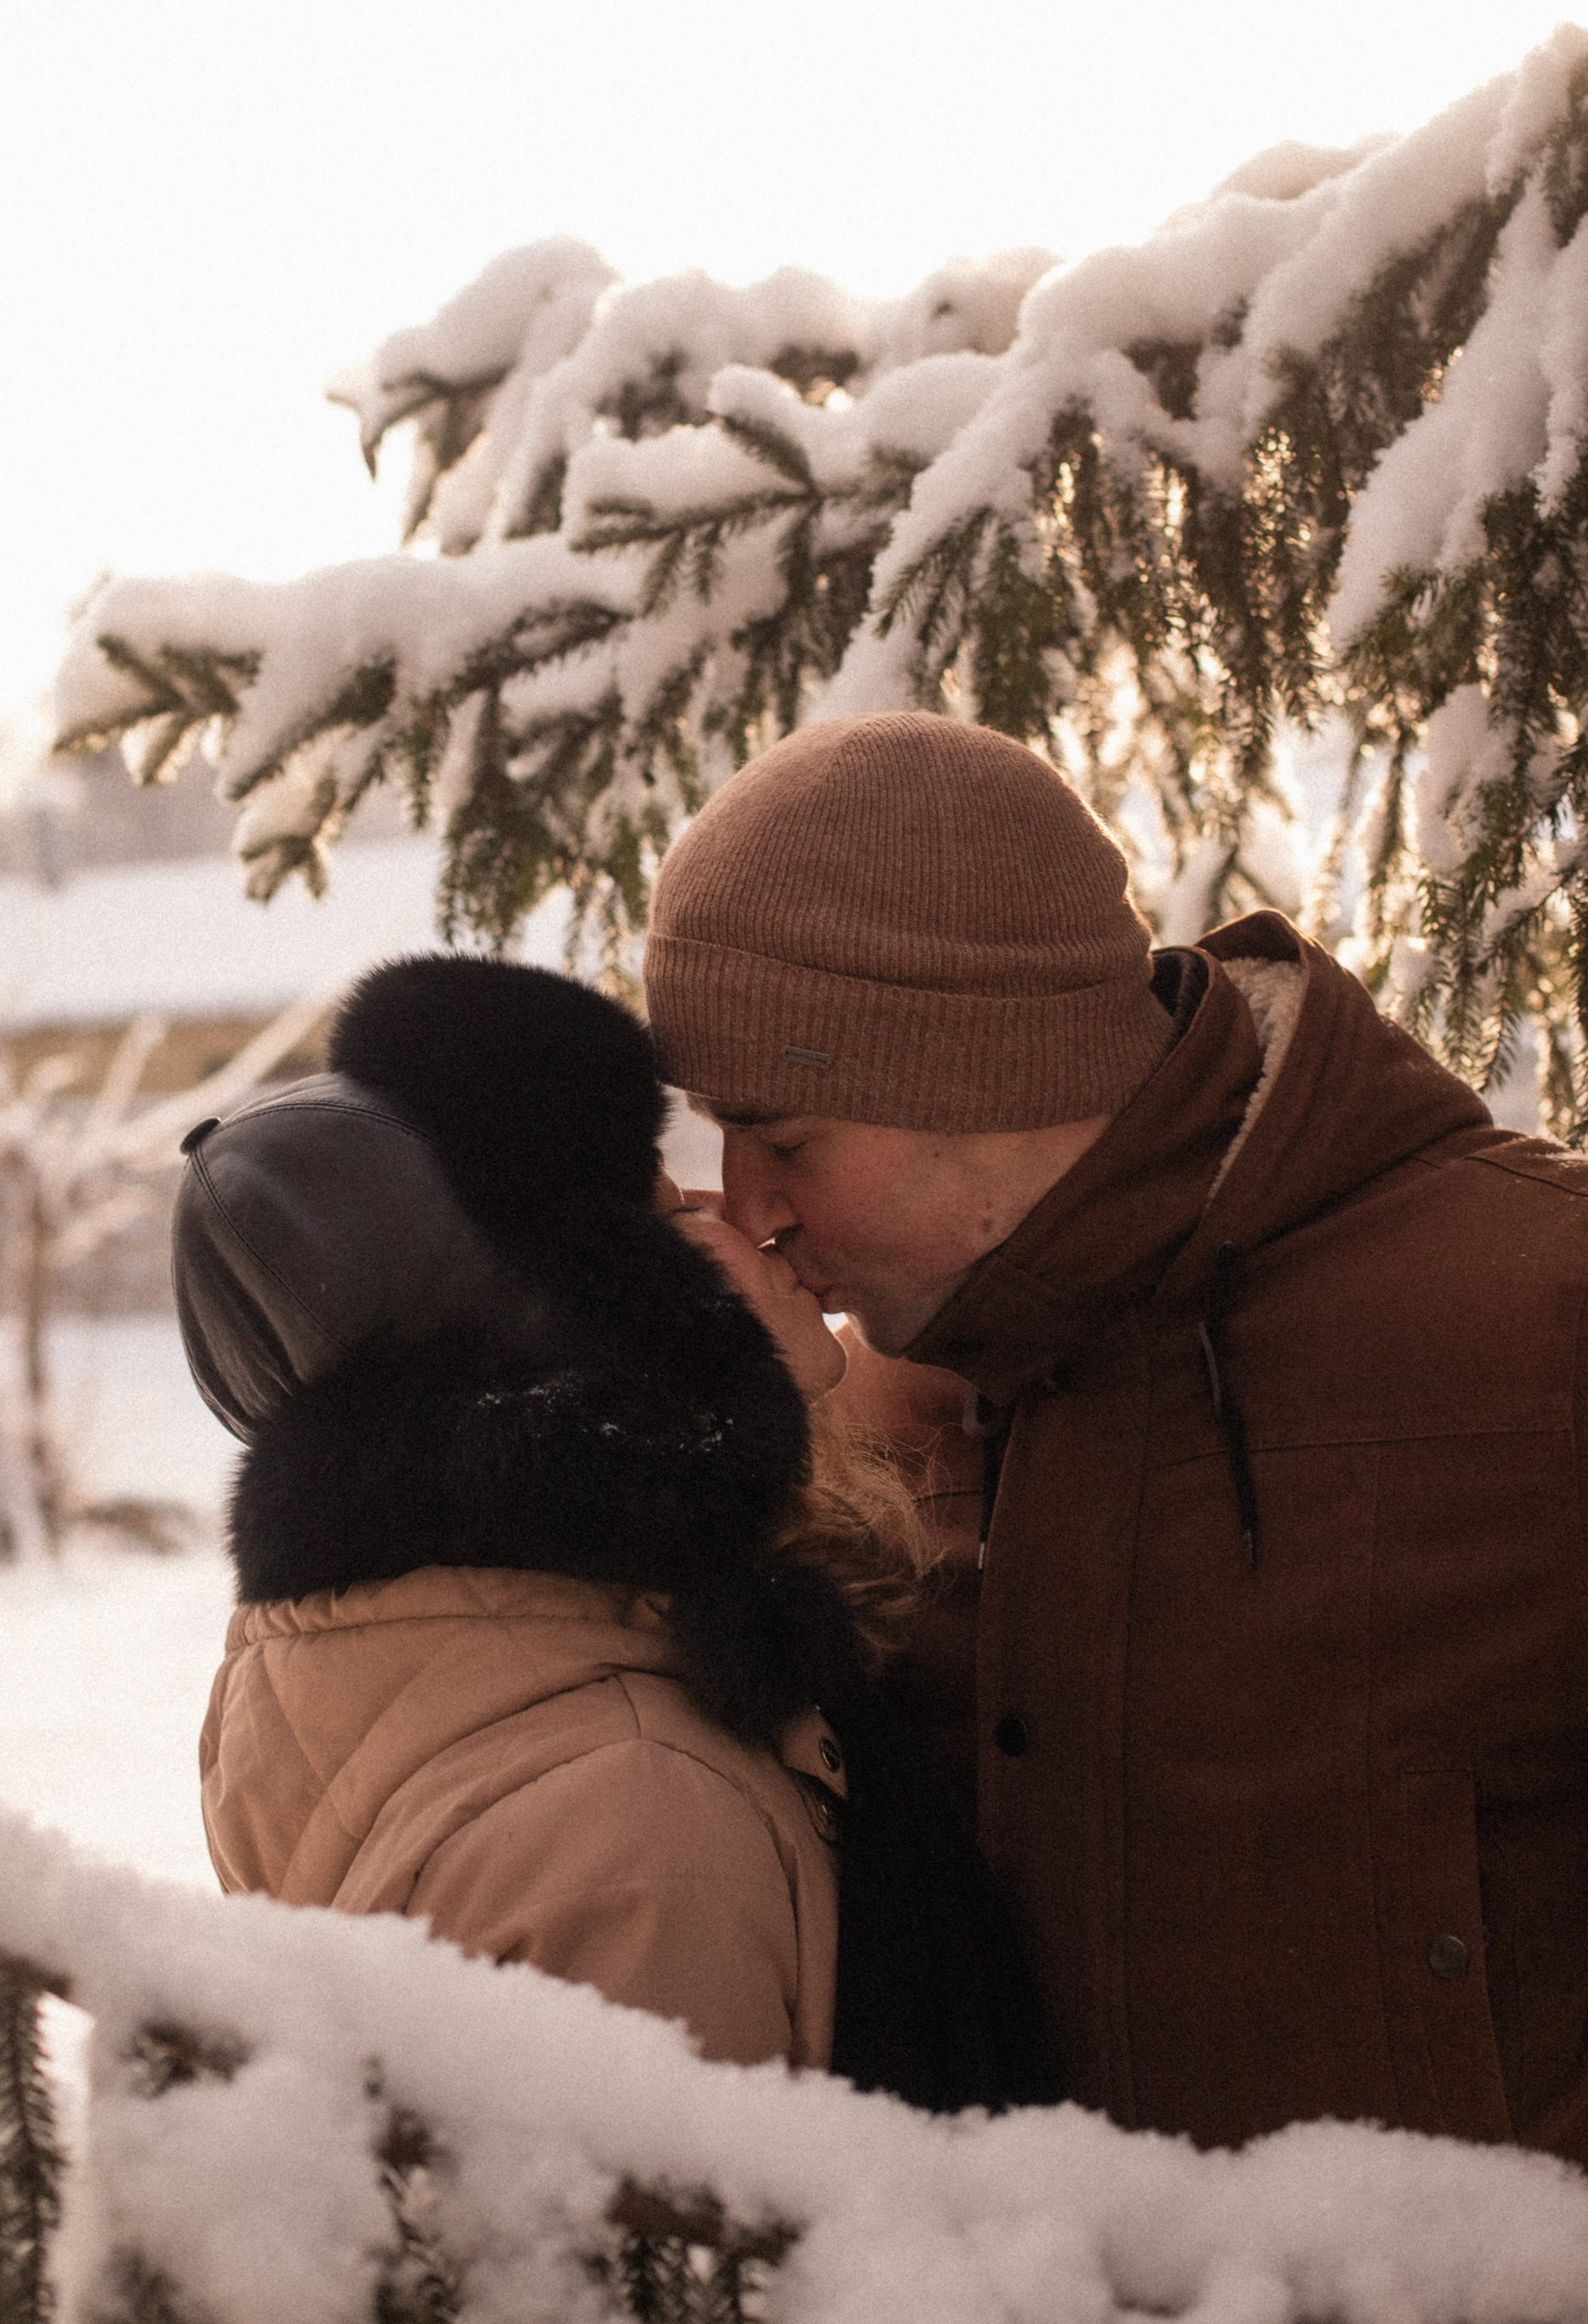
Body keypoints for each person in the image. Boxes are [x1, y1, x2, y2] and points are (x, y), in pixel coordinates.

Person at [643, 708, 1588, 2164]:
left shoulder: (1544, 1321)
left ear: (977, 1072)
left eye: (784, 1134)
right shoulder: (866, 1415)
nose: (747, 1204)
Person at [174, 949, 1051, 2101]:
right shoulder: (636, 1834)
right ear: (596, 1319)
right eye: (662, 1206)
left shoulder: (360, 1653)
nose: (728, 1210)